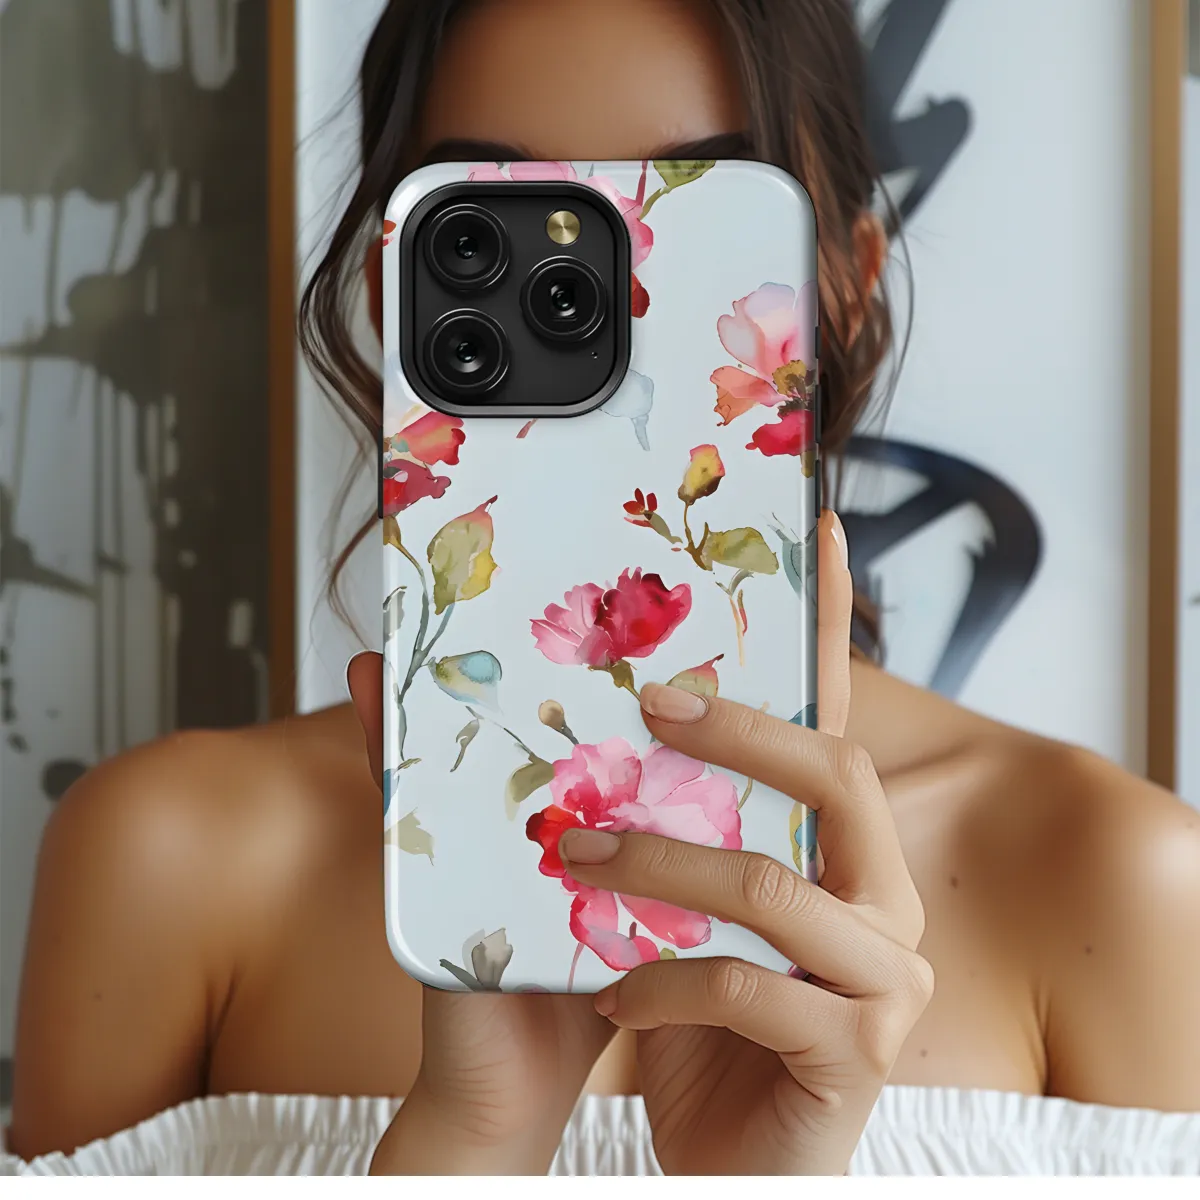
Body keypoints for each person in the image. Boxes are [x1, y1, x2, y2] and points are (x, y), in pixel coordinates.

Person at [6, 0, 1200, 1177]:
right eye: (490, 229)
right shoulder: (169, 862)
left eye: (701, 214)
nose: (616, 290)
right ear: (391, 290)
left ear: (847, 285)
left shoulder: (1116, 883)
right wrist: (474, 1142)